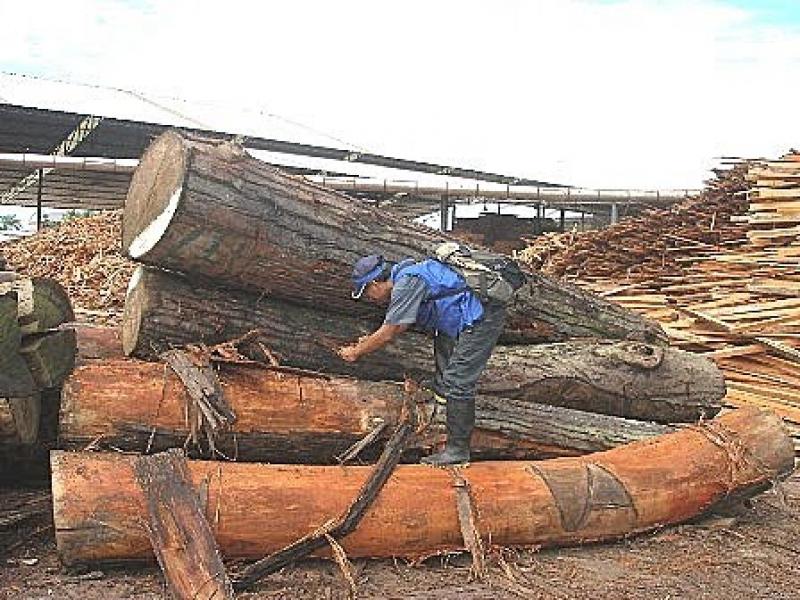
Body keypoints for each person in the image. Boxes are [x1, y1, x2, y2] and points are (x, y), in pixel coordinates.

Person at [337, 253, 506, 466]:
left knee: (459, 382)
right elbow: (402, 323)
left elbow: (391, 330)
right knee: (443, 344)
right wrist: (368, 341)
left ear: (375, 283)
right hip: (459, 320)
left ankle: (457, 451)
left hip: (482, 318)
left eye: (367, 291)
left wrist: (357, 351)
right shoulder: (405, 276)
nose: (369, 297)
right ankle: (443, 391)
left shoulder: (407, 283)